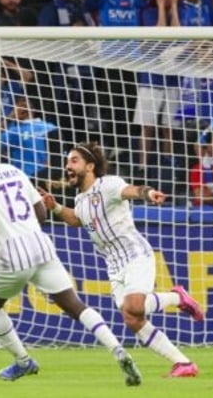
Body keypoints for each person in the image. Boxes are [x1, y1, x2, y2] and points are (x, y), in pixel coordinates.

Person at [0, 134, 142, 385]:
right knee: (75, 306)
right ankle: (118, 350)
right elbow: (41, 214)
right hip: (41, 245)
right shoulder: (15, 171)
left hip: (13, 253)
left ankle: (23, 362)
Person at [41, 142, 202, 378]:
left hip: (135, 253)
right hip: (113, 265)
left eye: (74, 161)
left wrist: (148, 193)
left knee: (133, 306)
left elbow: (132, 191)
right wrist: (54, 206)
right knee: (132, 318)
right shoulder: (80, 200)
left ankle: (178, 297)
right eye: (67, 162)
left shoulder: (108, 184)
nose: (68, 166)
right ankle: (183, 363)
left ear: (91, 166)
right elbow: (76, 219)